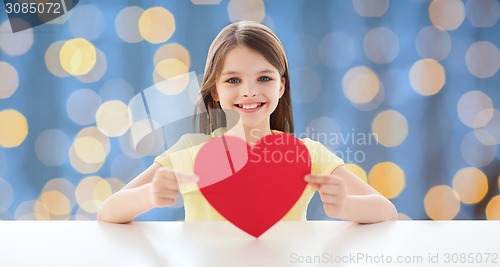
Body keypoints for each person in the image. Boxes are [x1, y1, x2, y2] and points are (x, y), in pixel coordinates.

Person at [97, 21, 398, 224]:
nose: (249, 91)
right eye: (233, 80)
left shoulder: (307, 154)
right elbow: (108, 211)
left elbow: (386, 211)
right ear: (215, 89)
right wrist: (150, 195)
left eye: (264, 78)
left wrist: (346, 205)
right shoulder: (192, 151)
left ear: (281, 86)